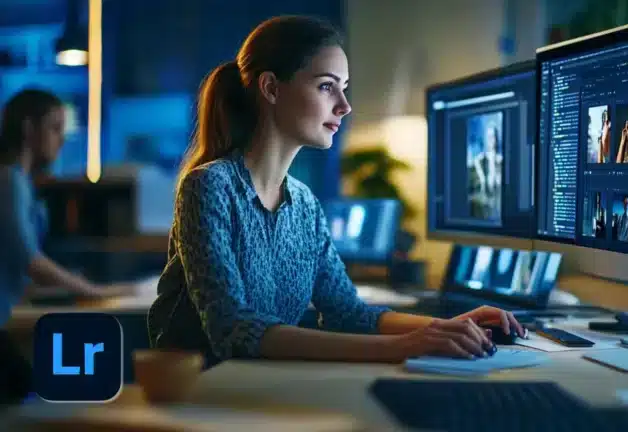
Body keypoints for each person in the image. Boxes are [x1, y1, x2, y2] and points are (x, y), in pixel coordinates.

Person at [146, 16, 525, 367]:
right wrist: (403, 347)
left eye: (343, 89)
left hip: (266, 386)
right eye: (327, 86)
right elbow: (235, 331)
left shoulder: (305, 205)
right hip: (199, 395)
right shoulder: (209, 186)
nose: (344, 106)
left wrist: (447, 325)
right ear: (271, 88)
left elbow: (348, 313)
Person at [0, 89, 132, 404]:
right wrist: (94, 290)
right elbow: (31, 263)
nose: (62, 140)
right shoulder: (9, 181)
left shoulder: (18, 182)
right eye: (55, 128)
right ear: (29, 129)